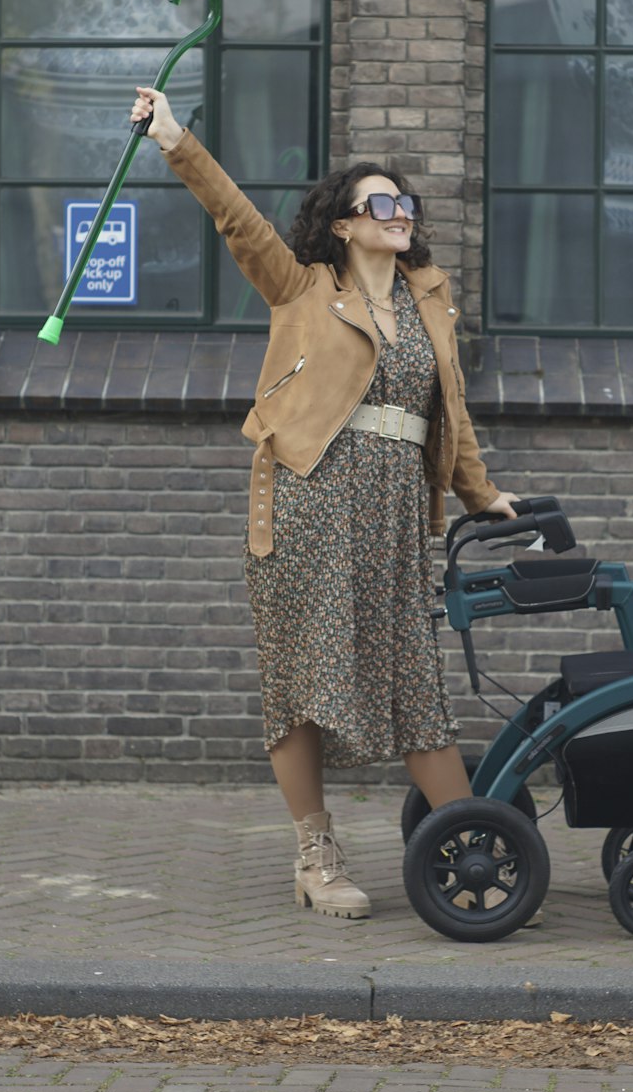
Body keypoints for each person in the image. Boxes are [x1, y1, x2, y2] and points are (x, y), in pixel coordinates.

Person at [131, 87, 519, 919]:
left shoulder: (428, 299)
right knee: (302, 681)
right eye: (381, 202)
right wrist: (175, 139)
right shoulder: (301, 287)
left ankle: (468, 846)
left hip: (390, 519)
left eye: (405, 201)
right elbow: (237, 219)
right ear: (344, 223)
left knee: (415, 681)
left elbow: (449, 409)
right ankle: (315, 853)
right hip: (308, 506)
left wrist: (481, 494)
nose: (400, 212)